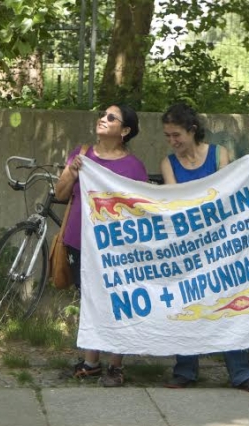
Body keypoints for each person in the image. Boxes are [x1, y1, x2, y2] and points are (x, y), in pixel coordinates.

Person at [159, 102, 249, 395]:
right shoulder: (169, 163)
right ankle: (185, 370)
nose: (172, 142)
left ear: (192, 130)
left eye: (176, 135)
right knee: (187, 303)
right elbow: (174, 202)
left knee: (228, 302)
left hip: (221, 244)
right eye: (168, 136)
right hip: (188, 247)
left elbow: (227, 195)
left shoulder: (220, 154)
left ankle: (241, 372)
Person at [55, 104, 148, 387]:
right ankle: (90, 363)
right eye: (102, 115)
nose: (102, 119)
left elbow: (143, 209)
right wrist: (72, 171)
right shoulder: (81, 154)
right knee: (90, 300)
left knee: (117, 301)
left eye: (111, 118)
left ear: (125, 131)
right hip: (79, 240)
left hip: (116, 247)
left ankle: (115, 366)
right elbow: (60, 193)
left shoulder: (133, 167)